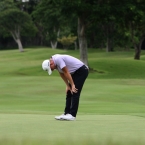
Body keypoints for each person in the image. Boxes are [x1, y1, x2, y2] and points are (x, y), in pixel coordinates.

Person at [42, 54, 89, 121]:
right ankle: (67, 113)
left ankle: (72, 115)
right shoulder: (54, 62)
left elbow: (66, 72)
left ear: (51, 63)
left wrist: (72, 85)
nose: (52, 70)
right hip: (75, 73)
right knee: (69, 92)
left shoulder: (58, 59)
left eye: (51, 68)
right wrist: (67, 86)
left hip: (82, 70)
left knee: (75, 91)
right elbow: (62, 74)